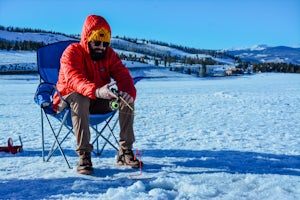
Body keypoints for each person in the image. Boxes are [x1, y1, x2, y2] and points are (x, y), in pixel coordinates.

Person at [53, 14, 141, 175]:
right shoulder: (72, 52)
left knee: (125, 99)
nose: (101, 46)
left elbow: (123, 76)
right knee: (80, 97)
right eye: (97, 42)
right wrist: (97, 91)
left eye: (105, 43)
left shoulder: (109, 55)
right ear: (87, 39)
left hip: (97, 100)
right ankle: (84, 155)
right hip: (66, 102)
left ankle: (125, 151)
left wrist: (128, 93)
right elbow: (74, 80)